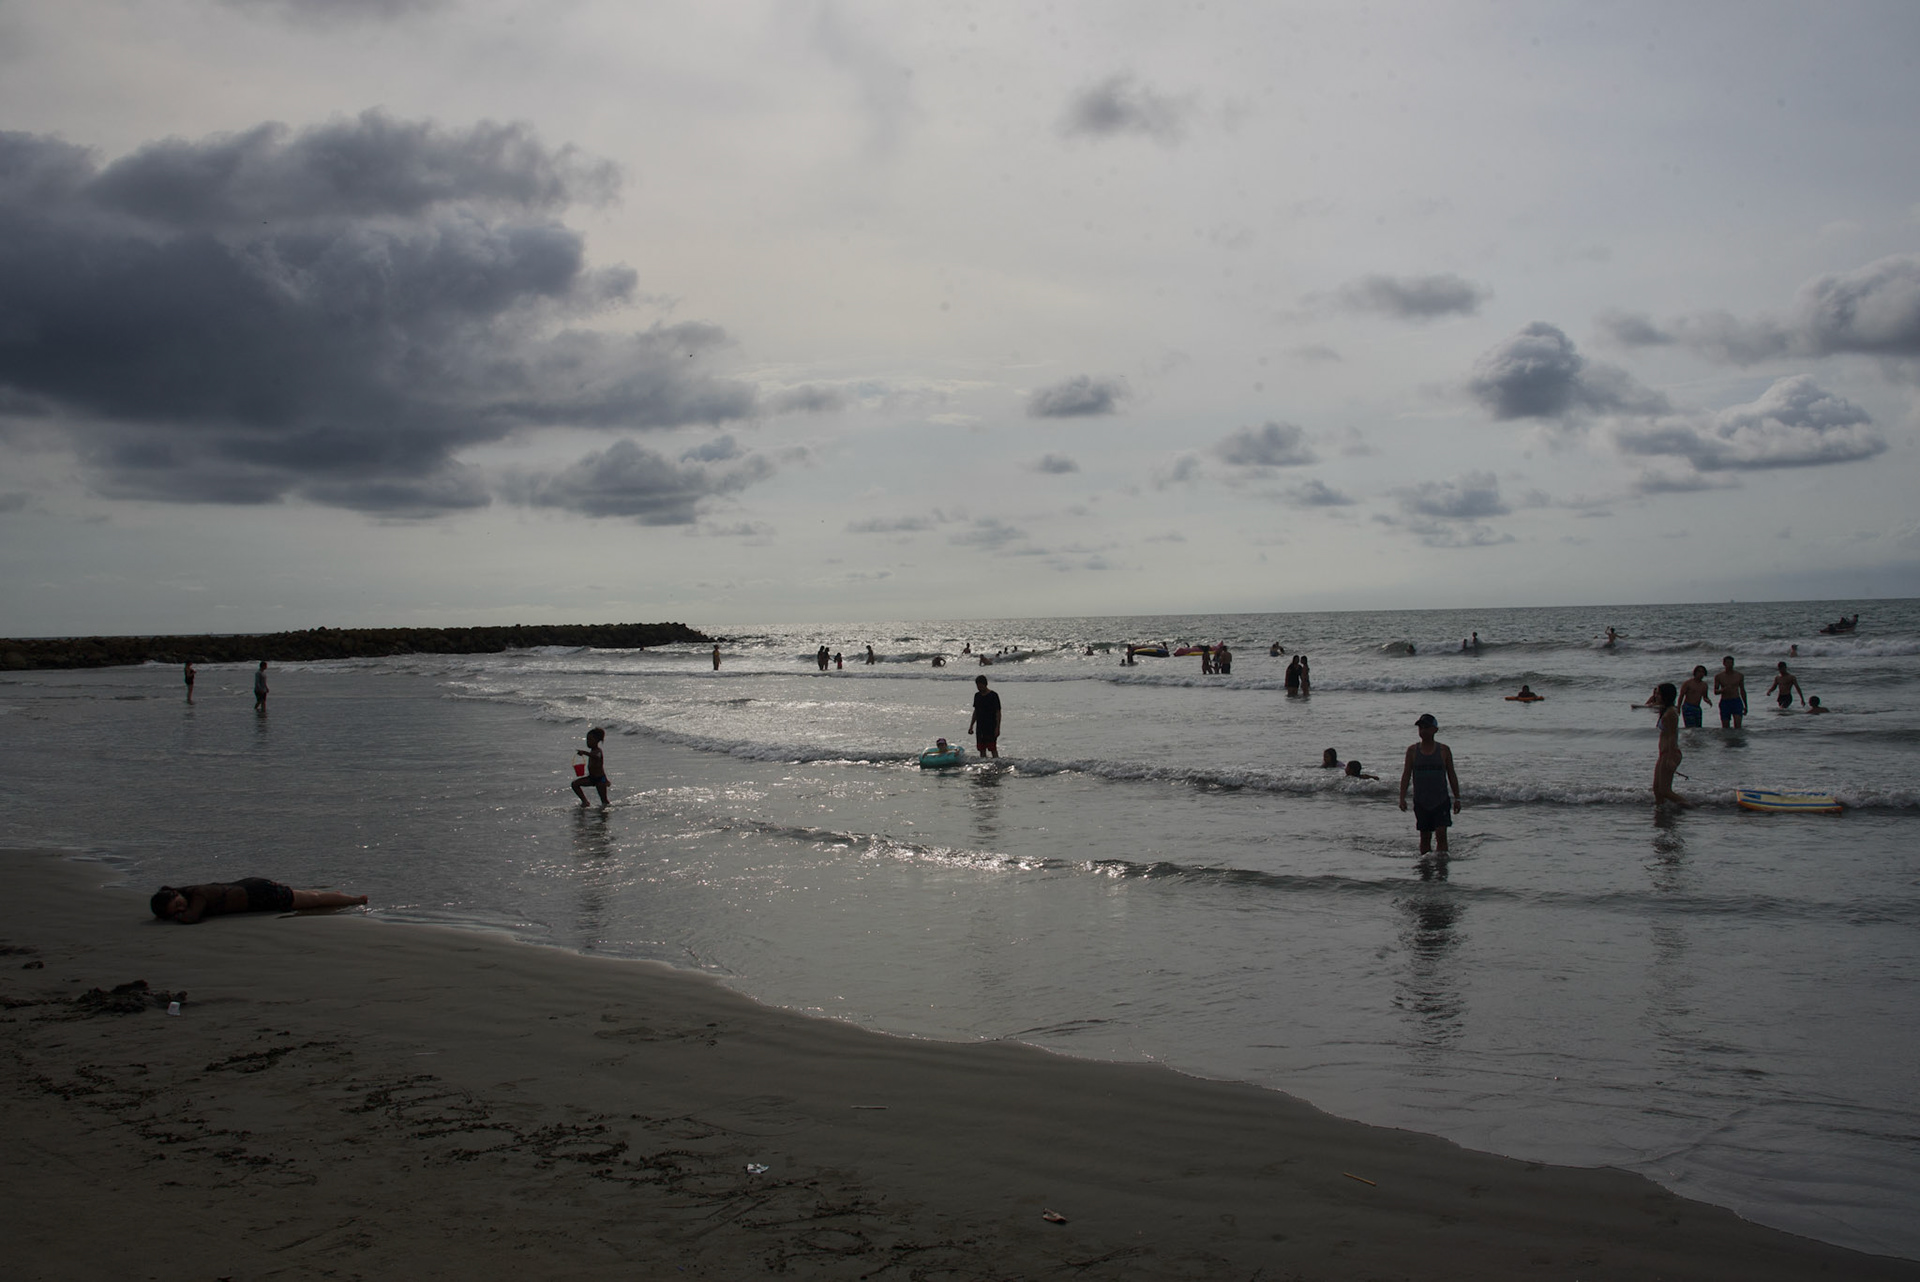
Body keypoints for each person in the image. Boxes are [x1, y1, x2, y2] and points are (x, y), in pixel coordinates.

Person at [150, 879, 366, 923]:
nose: (181, 908)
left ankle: (355, 899)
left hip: (260, 895)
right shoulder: (191, 892)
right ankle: (338, 895)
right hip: (253, 889)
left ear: (177, 894)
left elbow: (191, 917)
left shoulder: (198, 896)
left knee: (314, 900)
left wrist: (177, 916)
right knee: (307, 896)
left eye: (178, 904)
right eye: (175, 910)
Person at [1399, 714, 1460, 857]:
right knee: (1425, 837)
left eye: (1427, 727)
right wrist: (1402, 798)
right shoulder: (1412, 751)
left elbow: (1451, 774)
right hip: (1421, 801)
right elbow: (1406, 775)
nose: (1423, 730)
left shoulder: (1444, 750)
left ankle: (1442, 866)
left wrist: (1458, 798)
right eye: (1420, 727)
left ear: (1435, 730)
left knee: (1441, 834)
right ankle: (1425, 869)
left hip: (1441, 799)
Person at [1652, 682, 1689, 807]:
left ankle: (1689, 806)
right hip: (1664, 753)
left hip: (1670, 753)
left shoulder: (1671, 713)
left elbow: (1672, 736)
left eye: (1658, 693)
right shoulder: (1664, 710)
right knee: (1657, 789)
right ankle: (1660, 811)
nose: (1655, 695)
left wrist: (1670, 759)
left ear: (1665, 695)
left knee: (1665, 791)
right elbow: (1649, 704)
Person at [572, 727, 610, 806]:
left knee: (604, 801)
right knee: (575, 784)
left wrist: (585, 753)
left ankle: (605, 813)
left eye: (590, 740)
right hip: (591, 778)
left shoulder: (598, 751)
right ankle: (585, 802)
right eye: (587, 740)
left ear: (597, 741)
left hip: (600, 779)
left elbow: (596, 757)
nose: (587, 742)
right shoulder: (592, 751)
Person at [968, 675, 1001, 758]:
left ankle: (997, 765)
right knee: (981, 749)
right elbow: (976, 711)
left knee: (992, 748)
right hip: (980, 726)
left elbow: (998, 712)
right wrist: (971, 726)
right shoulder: (977, 696)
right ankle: (983, 767)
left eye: (980, 685)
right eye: (977, 686)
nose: (978, 688)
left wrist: (997, 728)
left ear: (985, 684)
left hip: (991, 726)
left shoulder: (993, 695)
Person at [1713, 655, 1746, 729]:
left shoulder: (1739, 675)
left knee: (1738, 726)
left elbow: (1742, 690)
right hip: (1725, 702)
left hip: (1736, 701)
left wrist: (1745, 705)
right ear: (1724, 664)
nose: (1730, 665)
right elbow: (1715, 691)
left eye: (1731, 663)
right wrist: (1722, 690)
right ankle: (1728, 740)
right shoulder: (1719, 676)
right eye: (1728, 663)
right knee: (1725, 727)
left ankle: (1737, 740)